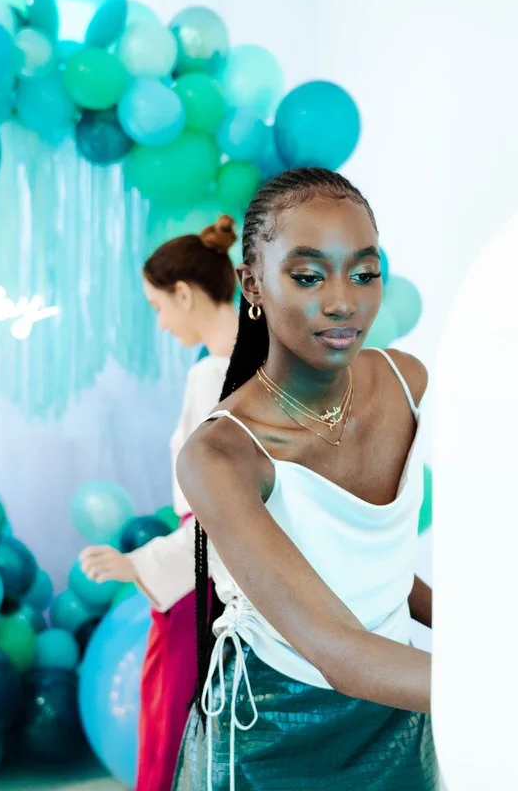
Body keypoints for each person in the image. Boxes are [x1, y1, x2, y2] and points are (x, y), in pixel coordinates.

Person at [172, 167, 438, 791]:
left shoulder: (406, 382)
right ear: (253, 284)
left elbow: (376, 567)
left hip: (401, 702)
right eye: (309, 275)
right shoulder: (220, 455)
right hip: (276, 728)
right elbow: (339, 649)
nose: (344, 300)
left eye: (365, 273)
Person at [79, 215, 240, 790]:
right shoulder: (223, 369)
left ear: (184, 292)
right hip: (205, 570)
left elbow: (231, 512)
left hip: (207, 580)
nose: (161, 320)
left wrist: (141, 564)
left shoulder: (226, 377)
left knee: (176, 728)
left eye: (157, 305)